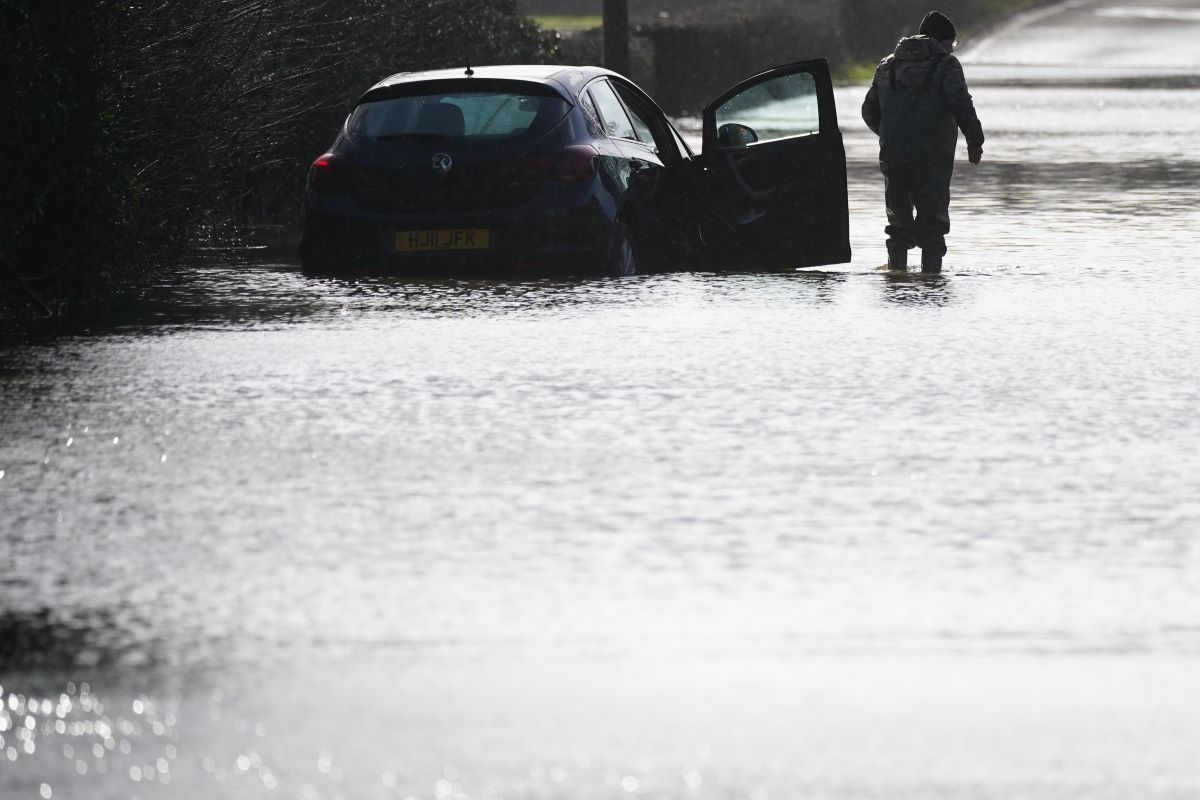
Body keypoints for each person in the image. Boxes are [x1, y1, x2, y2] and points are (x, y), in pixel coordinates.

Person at [861, 10, 985, 273]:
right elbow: (962, 103)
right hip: (932, 157)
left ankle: (896, 278)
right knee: (932, 226)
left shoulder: (886, 66)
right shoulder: (947, 65)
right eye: (951, 44)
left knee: (898, 226)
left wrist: (889, 136)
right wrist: (975, 141)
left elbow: (868, 111)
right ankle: (931, 281)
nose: (952, 49)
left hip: (893, 155)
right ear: (941, 42)